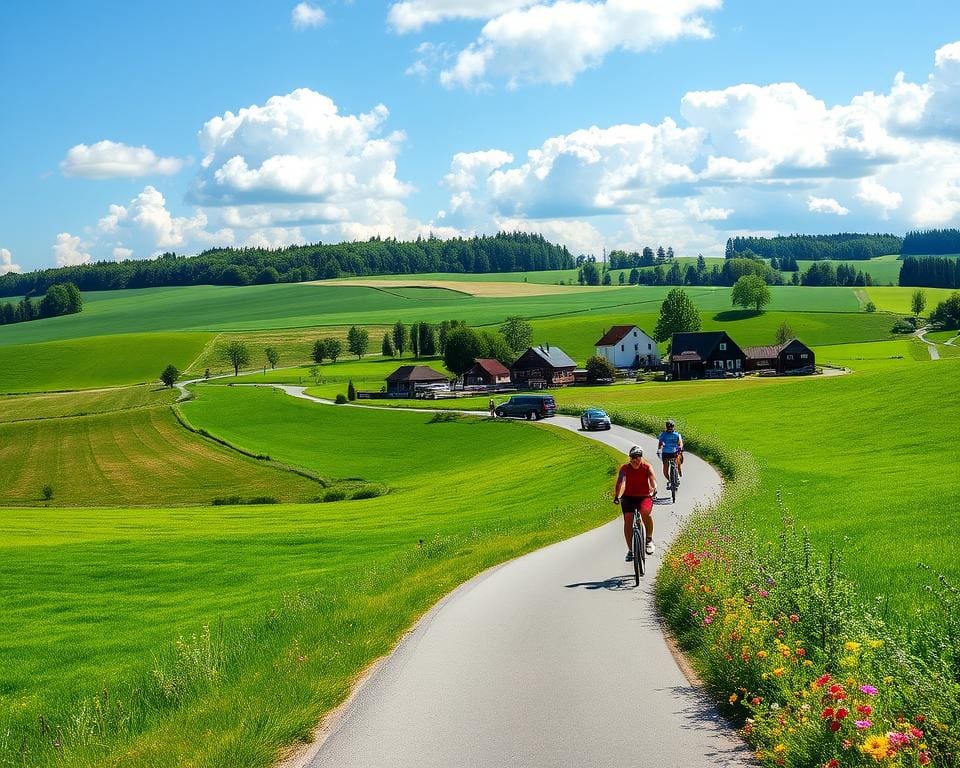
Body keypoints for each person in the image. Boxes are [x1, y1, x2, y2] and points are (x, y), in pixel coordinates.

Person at [613, 445, 658, 561]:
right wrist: (617, 495)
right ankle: (631, 550)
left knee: (645, 513)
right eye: (632, 458)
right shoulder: (625, 468)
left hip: (644, 497)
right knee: (628, 520)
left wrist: (654, 489)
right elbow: (620, 481)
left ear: (641, 458)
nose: (635, 460)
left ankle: (648, 539)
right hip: (628, 497)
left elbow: (652, 480)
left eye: (637, 458)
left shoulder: (647, 467)